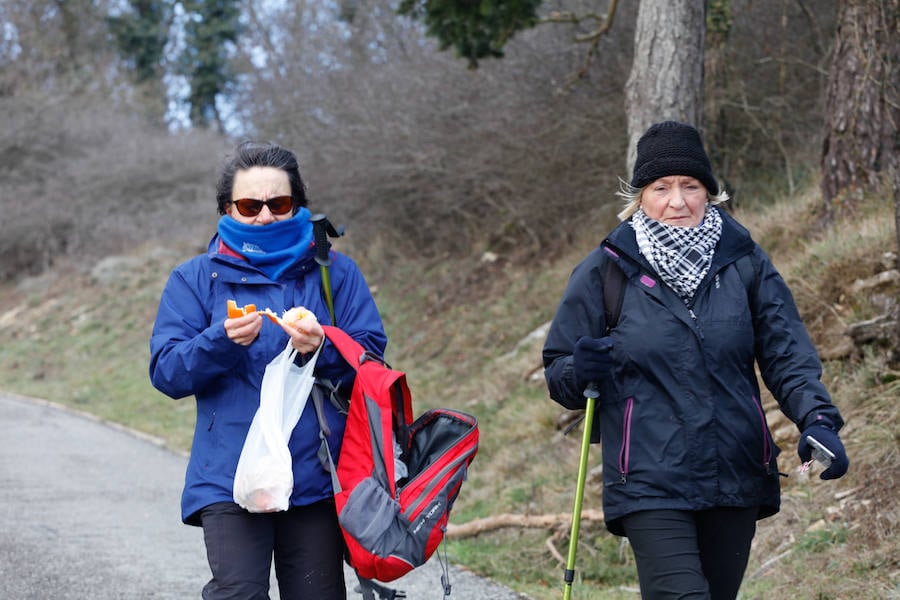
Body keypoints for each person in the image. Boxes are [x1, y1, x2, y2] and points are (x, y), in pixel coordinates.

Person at [542, 121, 849, 600]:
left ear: (710, 192)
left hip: (736, 471)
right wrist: (578, 370)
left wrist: (818, 417)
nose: (677, 201)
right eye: (661, 188)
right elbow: (559, 371)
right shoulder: (607, 268)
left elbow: (785, 351)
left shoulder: (744, 261)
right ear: (640, 196)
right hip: (648, 477)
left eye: (690, 186)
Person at [149, 140, 387, 600]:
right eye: (249, 205)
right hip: (229, 476)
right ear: (226, 209)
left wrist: (325, 346)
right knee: (238, 594)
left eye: (278, 204)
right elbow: (166, 373)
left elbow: (372, 362)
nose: (264, 217)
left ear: (297, 204)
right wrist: (221, 341)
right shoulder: (195, 279)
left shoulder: (334, 273)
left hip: (315, 476)